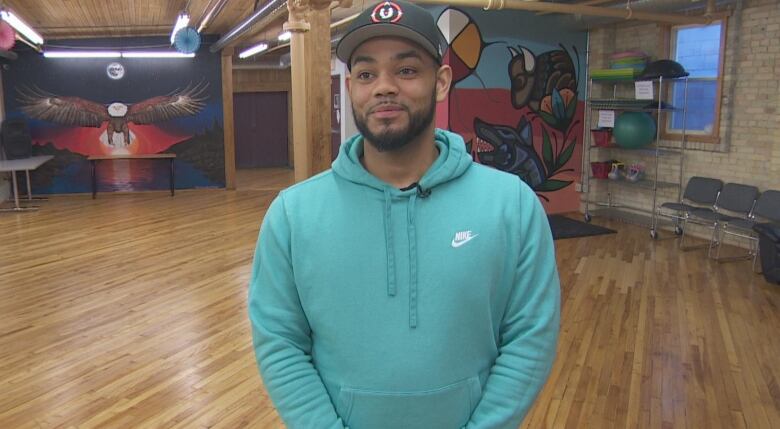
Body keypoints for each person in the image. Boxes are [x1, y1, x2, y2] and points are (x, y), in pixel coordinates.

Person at [248, 1, 561, 427]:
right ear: (351, 86)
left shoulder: (512, 205)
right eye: (365, 73)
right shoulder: (293, 214)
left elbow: (531, 336)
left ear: (442, 81)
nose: (384, 87)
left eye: (407, 70)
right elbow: (279, 342)